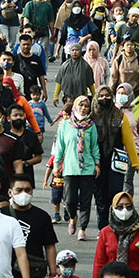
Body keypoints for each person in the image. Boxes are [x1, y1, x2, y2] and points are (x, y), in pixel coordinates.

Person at [51, 94, 99, 240]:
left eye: (86, 106)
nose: (83, 109)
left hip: (87, 168)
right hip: (70, 168)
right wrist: (56, 165)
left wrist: (97, 164)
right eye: (81, 105)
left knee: (85, 200)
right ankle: (72, 217)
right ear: (75, 106)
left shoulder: (91, 126)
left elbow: (94, 146)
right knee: (70, 200)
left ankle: (82, 229)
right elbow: (60, 147)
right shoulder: (66, 125)